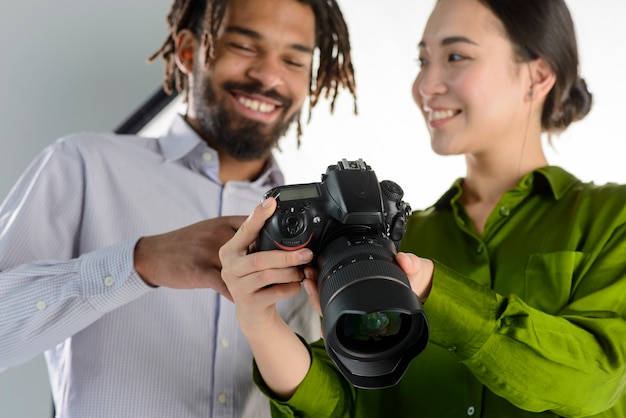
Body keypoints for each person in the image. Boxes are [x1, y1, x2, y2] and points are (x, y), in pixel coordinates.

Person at [219, 0, 626, 416]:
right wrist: (260, 324)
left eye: (455, 56)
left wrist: (436, 292)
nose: (425, 85)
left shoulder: (614, 217)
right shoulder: (396, 238)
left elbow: (596, 383)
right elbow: (343, 405)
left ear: (537, 76)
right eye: (422, 59)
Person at [0, 0, 356, 417]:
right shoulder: (83, 164)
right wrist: (140, 262)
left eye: (294, 60)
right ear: (188, 52)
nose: (269, 76)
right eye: (245, 47)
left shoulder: (320, 226)